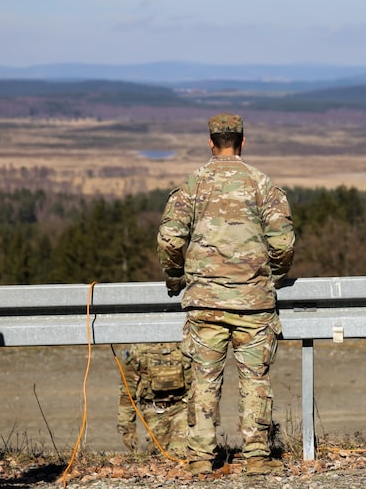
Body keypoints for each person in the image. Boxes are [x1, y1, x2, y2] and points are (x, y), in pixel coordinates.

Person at [157, 113, 295, 476]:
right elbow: (283, 242)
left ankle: (201, 458)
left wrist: (176, 279)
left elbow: (170, 240)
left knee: (204, 379)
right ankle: (257, 457)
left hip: (205, 303)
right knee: (255, 379)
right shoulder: (262, 184)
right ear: (243, 141)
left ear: (211, 142)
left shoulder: (193, 184)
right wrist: (272, 277)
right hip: (254, 303)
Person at [117, 342, 191, 457]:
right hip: (154, 409)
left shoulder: (186, 343)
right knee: (160, 455)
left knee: (180, 453)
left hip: (183, 407)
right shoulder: (137, 349)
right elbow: (127, 390)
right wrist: (127, 427)